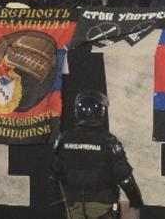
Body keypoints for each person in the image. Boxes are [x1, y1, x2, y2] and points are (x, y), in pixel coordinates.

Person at [52, 91, 143, 219]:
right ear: (101, 113)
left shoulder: (64, 139)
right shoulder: (108, 142)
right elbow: (124, 177)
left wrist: (62, 204)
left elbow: (54, 175)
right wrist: (136, 200)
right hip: (102, 208)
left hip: (73, 206)